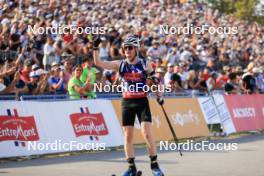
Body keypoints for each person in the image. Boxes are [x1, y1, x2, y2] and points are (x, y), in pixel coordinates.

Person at [93, 34, 164, 176]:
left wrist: (159, 96)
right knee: (127, 136)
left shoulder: (145, 64)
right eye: (125, 48)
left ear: (136, 49)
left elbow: (155, 81)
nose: (127, 50)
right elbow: (98, 62)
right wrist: (95, 47)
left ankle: (154, 166)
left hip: (142, 101)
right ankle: (131, 167)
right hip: (127, 102)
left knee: (146, 133)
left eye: (130, 48)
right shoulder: (120, 64)